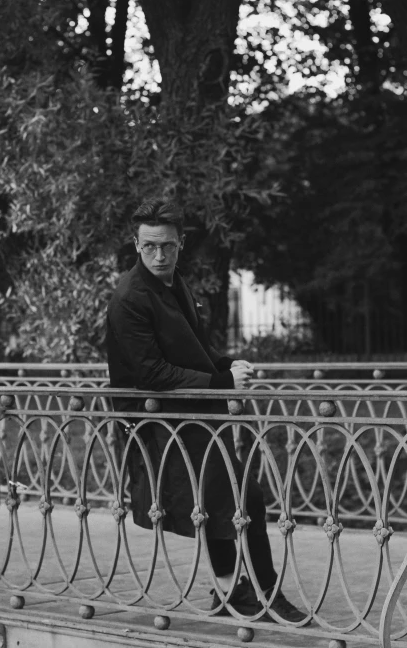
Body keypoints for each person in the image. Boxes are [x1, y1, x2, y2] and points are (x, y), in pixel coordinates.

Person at [106, 198, 306, 623]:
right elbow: (151, 372)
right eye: (149, 247)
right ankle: (255, 594)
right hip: (159, 420)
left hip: (190, 412)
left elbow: (191, 350)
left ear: (181, 243)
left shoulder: (175, 283)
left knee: (228, 499)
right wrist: (221, 383)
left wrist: (225, 365)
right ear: (135, 244)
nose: (159, 256)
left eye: (167, 246)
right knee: (233, 499)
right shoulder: (129, 296)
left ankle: (237, 592)